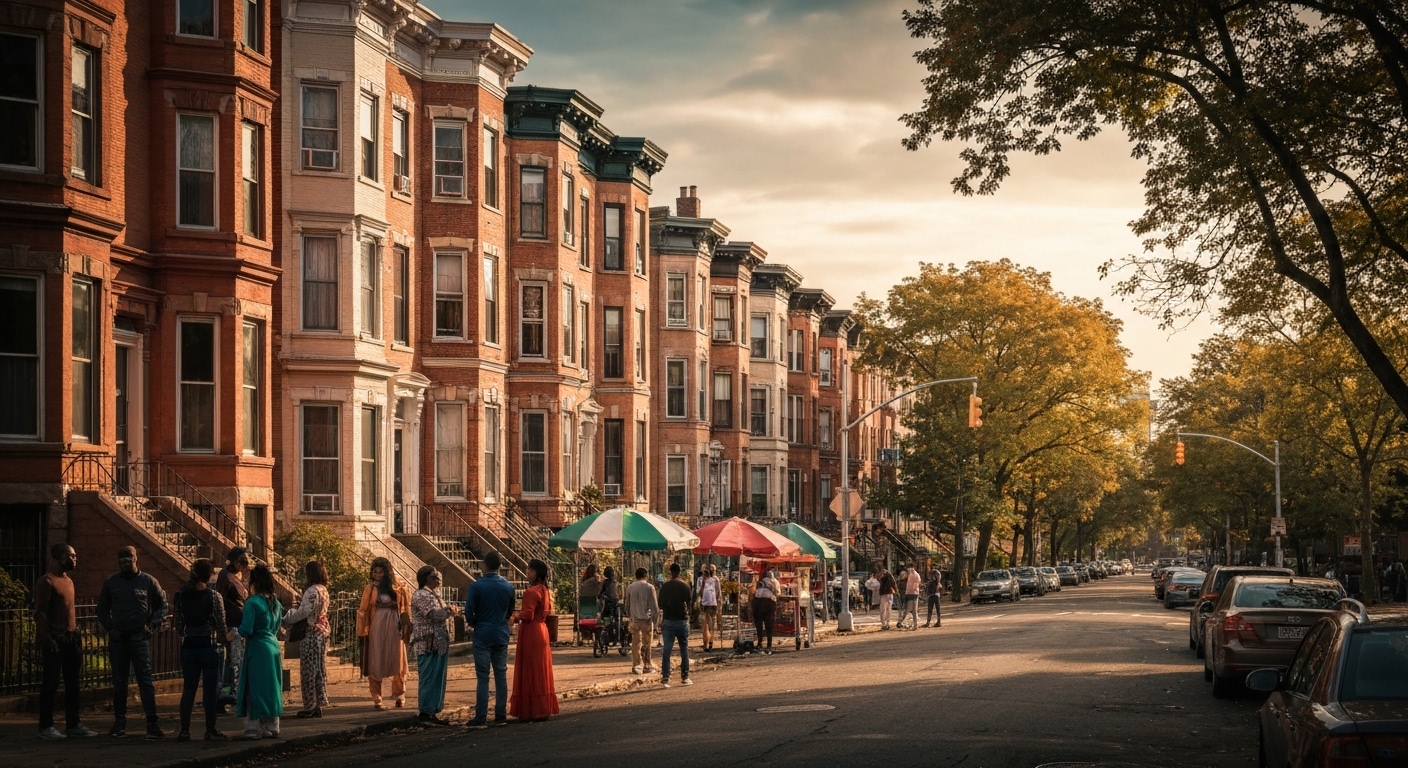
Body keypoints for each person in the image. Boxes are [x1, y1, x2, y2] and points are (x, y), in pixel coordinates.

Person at [97, 546, 167, 739]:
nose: (125, 564)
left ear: (136, 559)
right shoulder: (111, 583)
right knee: (120, 682)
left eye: (128, 560)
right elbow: (102, 609)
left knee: (145, 681)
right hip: (119, 639)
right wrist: (111, 629)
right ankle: (119, 722)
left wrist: (151, 626)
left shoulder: (148, 581)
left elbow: (163, 605)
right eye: (121, 561)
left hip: (139, 638)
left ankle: (152, 722)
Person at [34, 543, 96, 740]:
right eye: (72, 556)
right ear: (61, 558)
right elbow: (39, 613)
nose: (75, 559)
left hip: (71, 638)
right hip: (55, 639)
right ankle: (46, 727)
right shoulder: (47, 582)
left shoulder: (69, 581)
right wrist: (47, 638)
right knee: (50, 683)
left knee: (73, 683)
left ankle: (73, 724)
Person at [172, 558, 227, 741]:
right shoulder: (213, 597)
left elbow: (178, 625)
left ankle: (184, 730)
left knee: (189, 689)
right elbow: (221, 625)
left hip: (189, 645)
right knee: (210, 690)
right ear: (209, 575)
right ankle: (210, 730)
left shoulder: (180, 595)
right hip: (207, 644)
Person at [465, 551, 514, 728]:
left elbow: (469, 612)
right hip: (501, 632)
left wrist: (475, 623)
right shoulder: (508, 586)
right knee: (501, 674)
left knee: (483, 676)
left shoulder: (476, 586)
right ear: (499, 566)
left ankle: (481, 715)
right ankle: (501, 713)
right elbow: (510, 611)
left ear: (484, 565)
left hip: (483, 632)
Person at [356, 557, 411, 709]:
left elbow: (405, 607)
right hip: (377, 625)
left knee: (398, 659)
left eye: (380, 572)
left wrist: (406, 628)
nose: (378, 575)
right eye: (375, 572)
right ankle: (377, 697)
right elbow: (363, 610)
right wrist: (362, 631)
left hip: (395, 625)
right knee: (376, 659)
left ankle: (399, 694)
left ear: (387, 572)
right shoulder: (370, 588)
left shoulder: (398, 586)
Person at [509, 558, 559, 721]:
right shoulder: (545, 590)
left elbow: (528, 614)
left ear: (537, 573)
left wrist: (515, 616)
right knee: (540, 669)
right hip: (542, 630)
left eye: (530, 570)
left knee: (529, 669)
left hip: (531, 631)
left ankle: (530, 709)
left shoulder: (531, 592)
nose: (527, 572)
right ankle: (542, 707)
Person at [237, 564, 283, 739]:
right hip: (273, 646)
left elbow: (246, 629)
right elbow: (277, 626)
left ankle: (253, 727)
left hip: (257, 648)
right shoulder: (276, 603)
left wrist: (235, 632)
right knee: (271, 687)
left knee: (254, 687)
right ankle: (272, 725)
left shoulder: (252, 602)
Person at [410, 566, 460, 727]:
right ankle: (426, 711)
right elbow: (435, 615)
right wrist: (449, 611)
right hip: (427, 643)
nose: (438, 579)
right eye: (434, 576)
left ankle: (433, 710)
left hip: (438, 643)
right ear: (426, 578)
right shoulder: (421, 595)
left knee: (438, 678)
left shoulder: (434, 594)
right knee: (429, 677)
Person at [281, 561, 331, 718]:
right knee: (319, 670)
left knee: (309, 670)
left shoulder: (311, 591)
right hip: (322, 632)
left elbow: (303, 613)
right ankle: (318, 703)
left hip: (311, 633)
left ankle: (309, 705)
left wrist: (287, 616)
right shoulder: (323, 590)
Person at [215, 547, 250, 710]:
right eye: (241, 561)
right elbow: (221, 601)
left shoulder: (238, 576)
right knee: (233, 661)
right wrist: (223, 628)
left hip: (240, 624)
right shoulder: (225, 576)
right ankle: (227, 695)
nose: (244, 564)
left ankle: (230, 693)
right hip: (232, 625)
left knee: (236, 660)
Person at [657, 563, 693, 687]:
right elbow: (689, 603)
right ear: (679, 572)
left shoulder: (665, 586)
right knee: (684, 649)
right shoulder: (685, 586)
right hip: (682, 621)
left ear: (670, 572)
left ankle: (666, 677)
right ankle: (685, 676)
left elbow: (660, 604)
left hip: (668, 621)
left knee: (667, 650)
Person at [625, 567, 658, 675]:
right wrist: (656, 621)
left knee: (635, 643)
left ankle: (636, 665)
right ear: (646, 576)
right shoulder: (650, 587)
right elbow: (654, 606)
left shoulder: (630, 587)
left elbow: (627, 605)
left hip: (634, 620)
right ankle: (647, 665)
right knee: (647, 644)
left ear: (636, 576)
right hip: (646, 620)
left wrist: (629, 615)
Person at [753, 570, 779, 654]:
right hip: (769, 603)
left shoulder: (761, 582)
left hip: (757, 601)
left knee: (759, 624)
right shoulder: (775, 582)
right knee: (769, 624)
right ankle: (769, 645)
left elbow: (755, 591)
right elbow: (778, 593)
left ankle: (759, 643)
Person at [697, 564, 721, 651]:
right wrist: (703, 582)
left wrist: (719, 604)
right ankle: (705, 643)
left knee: (712, 623)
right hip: (704, 604)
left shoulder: (715, 579)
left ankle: (711, 641)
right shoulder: (700, 579)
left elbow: (718, 592)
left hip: (713, 604)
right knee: (705, 623)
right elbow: (698, 592)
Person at [899, 564, 921, 630]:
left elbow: (915, 584)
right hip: (912, 593)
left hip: (912, 593)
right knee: (912, 610)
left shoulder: (913, 575)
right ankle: (915, 625)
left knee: (909, 609)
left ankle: (901, 622)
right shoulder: (913, 575)